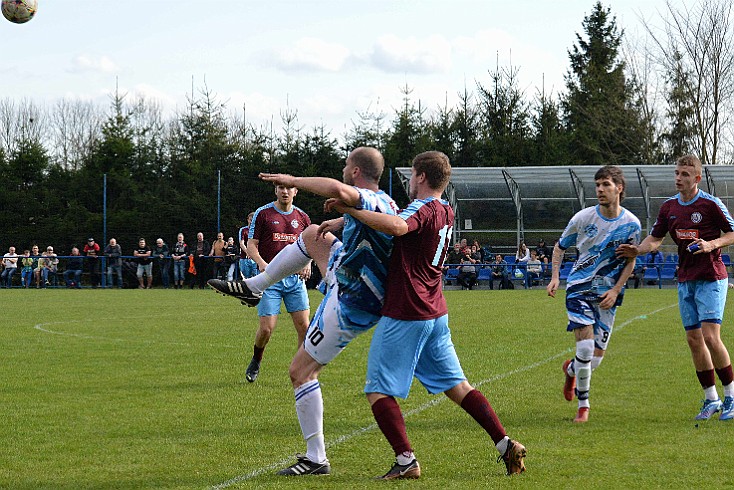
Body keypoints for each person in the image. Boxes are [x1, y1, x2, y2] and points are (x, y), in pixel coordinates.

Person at [329, 151, 526, 478]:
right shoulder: (446, 210)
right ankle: (505, 443)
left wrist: (351, 209)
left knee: (377, 389)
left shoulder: (421, 207)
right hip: (435, 310)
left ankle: (406, 460)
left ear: (421, 176)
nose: (408, 181)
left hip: (408, 310)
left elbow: (396, 226)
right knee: (457, 387)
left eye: (411, 175)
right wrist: (345, 218)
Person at [208, 146, 398, 475]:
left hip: (354, 297)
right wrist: (340, 219)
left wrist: (293, 178)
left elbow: (340, 191)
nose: (342, 168)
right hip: (354, 275)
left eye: (346, 164)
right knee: (312, 234)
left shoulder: (359, 194)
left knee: (300, 372)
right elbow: (373, 221)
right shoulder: (387, 202)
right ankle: (256, 285)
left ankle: (316, 458)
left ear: (355, 172)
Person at [617, 154, 734, 421]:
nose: (678, 178)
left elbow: (732, 232)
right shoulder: (669, 208)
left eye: (684, 174)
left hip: (711, 278)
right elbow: (655, 239)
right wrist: (638, 250)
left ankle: (731, 395)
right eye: (676, 173)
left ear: (697, 178)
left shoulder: (710, 204)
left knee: (710, 337)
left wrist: (711, 244)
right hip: (685, 279)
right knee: (693, 340)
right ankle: (711, 399)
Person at [547, 165, 641, 424]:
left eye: (606, 184)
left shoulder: (631, 224)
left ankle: (570, 369)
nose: (600, 189)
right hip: (579, 287)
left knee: (593, 361)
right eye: (597, 185)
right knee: (586, 347)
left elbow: (630, 261)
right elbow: (559, 247)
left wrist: (615, 289)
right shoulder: (583, 218)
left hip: (607, 293)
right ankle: (583, 406)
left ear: (619, 188)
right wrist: (556, 277)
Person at [216, 183, 313, 384]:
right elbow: (251, 245)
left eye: (289, 188)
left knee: (304, 326)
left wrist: (308, 263)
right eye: (281, 188)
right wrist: (262, 264)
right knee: (267, 329)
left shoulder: (303, 217)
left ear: (296, 192)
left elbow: (310, 245)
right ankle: (256, 360)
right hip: (270, 281)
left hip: (295, 281)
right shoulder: (264, 214)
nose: (285, 191)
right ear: (275, 191)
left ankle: (302, 370)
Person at [238, 212, 258, 280]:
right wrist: (248, 252)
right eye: (250, 219)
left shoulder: (258, 231)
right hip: (244, 258)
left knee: (257, 277)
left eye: (253, 220)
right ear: (248, 220)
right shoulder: (243, 230)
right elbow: (241, 243)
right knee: (246, 278)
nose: (251, 221)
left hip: (256, 258)